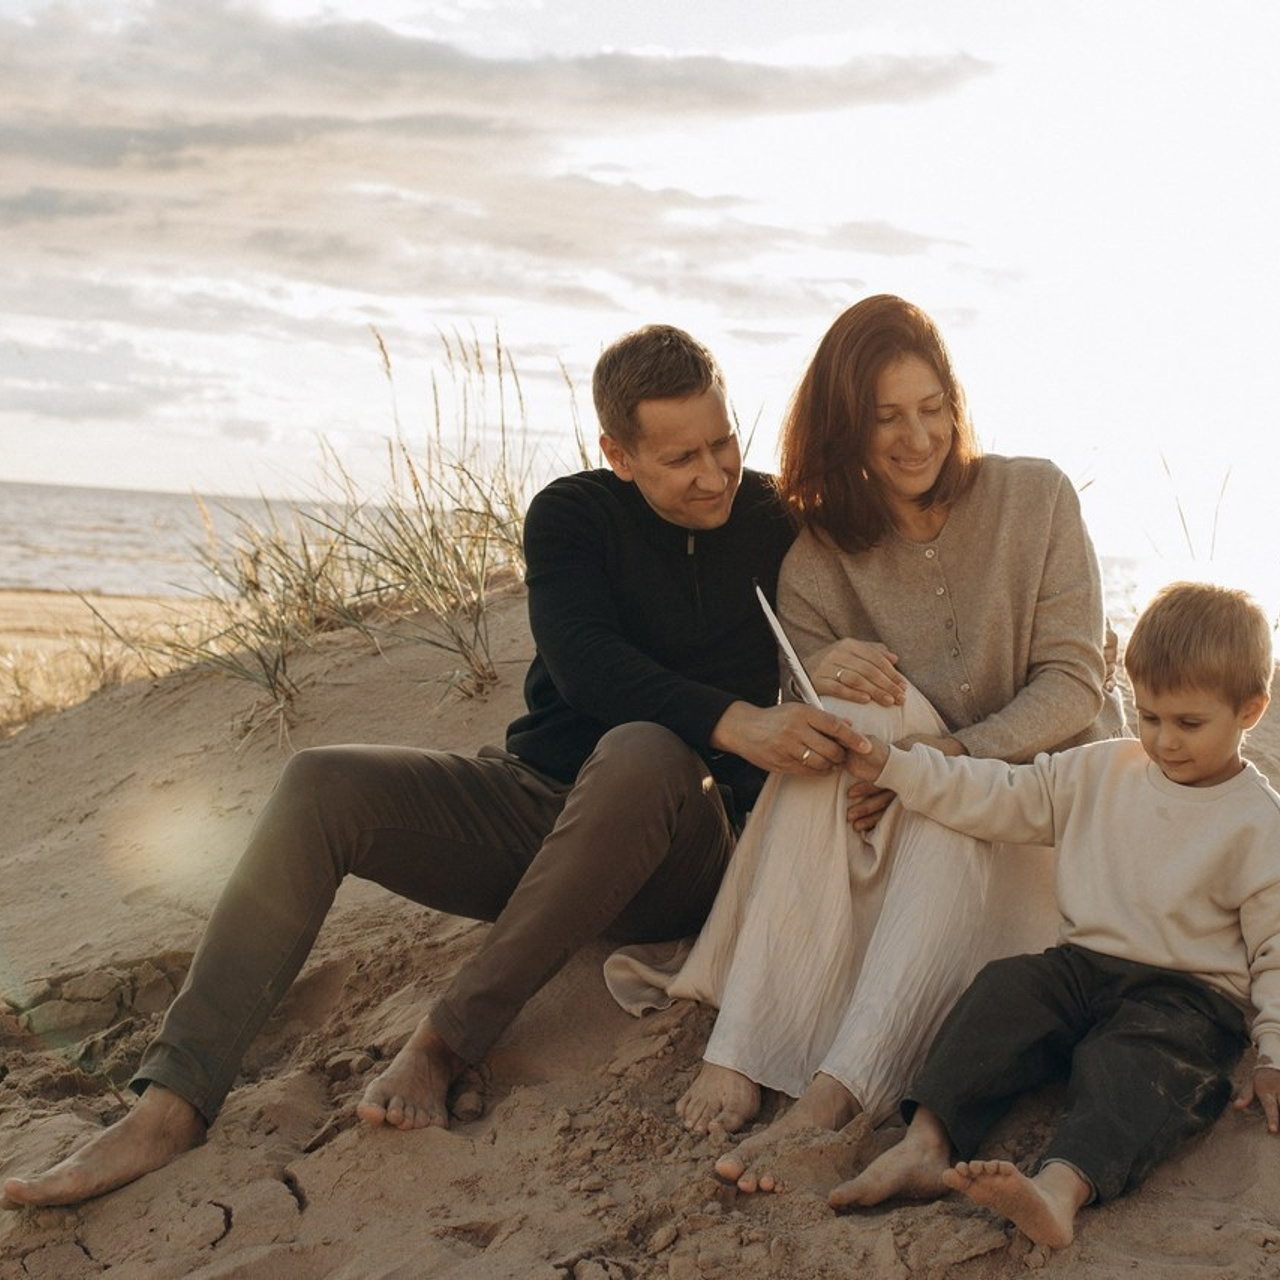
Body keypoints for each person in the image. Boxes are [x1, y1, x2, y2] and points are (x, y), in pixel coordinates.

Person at [3, 324, 863, 1209]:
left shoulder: (774, 518)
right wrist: (736, 719)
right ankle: (171, 1103)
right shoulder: (572, 515)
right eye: (681, 458)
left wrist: (812, 679)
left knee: (643, 750)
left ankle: (445, 1044)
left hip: (683, 845)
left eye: (723, 442)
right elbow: (585, 664)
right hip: (543, 805)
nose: (715, 474)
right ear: (618, 454)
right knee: (320, 783)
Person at [605, 294, 1126, 1192]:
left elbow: (1075, 682)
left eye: (933, 408)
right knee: (848, 713)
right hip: (899, 837)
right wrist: (816, 674)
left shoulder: (1036, 497)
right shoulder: (817, 560)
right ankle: (747, 1045)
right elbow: (812, 734)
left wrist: (951, 761)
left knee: (947, 796)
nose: (917, 438)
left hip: (1048, 812)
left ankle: (840, 1089)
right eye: (887, 417)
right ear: (846, 425)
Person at [833, 581, 1280, 1249]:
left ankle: (1057, 1191)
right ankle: (927, 1142)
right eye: (1149, 716)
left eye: (1189, 724)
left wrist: (1274, 1052)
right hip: (1080, 969)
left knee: (1136, 1068)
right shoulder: (1101, 770)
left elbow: (1276, 948)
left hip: (1187, 1000)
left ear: (1250, 710)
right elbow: (998, 794)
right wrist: (896, 767)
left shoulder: (1258, 823)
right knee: (1004, 989)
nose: (1164, 741)